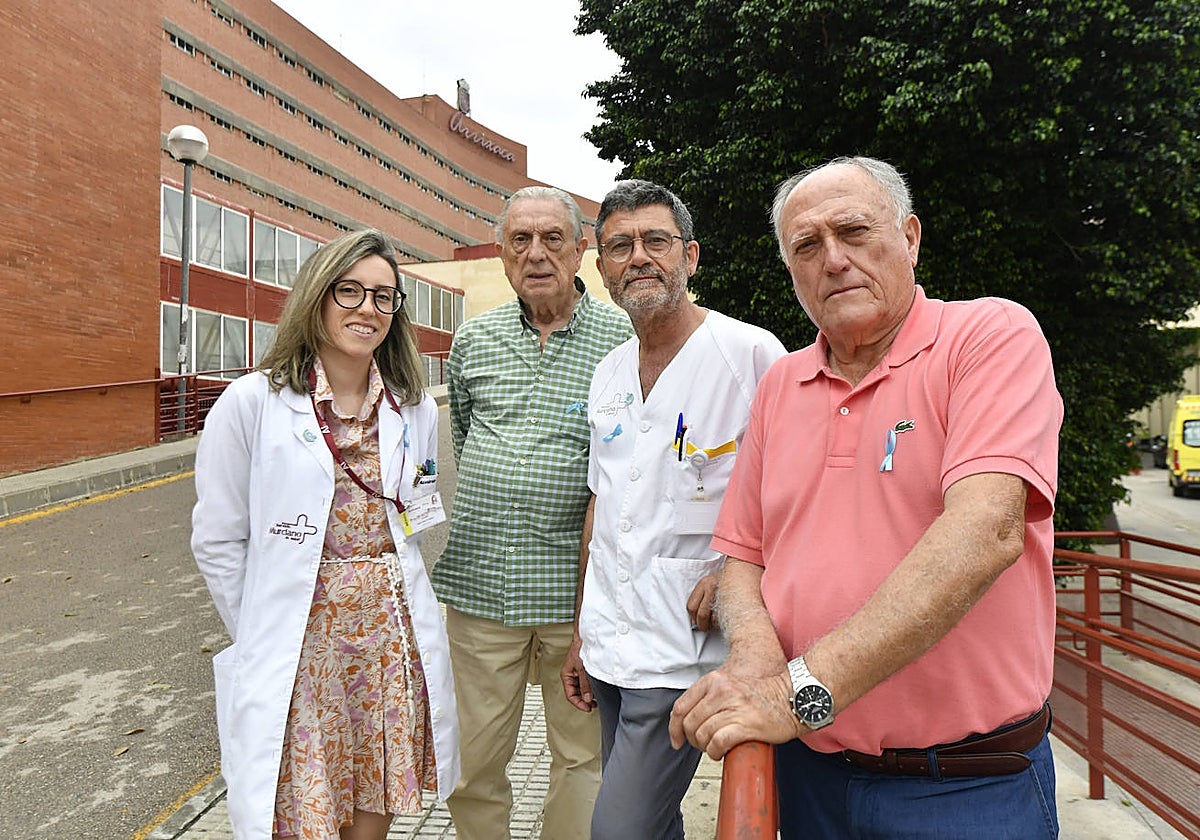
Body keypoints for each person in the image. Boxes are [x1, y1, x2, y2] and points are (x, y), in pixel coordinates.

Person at [669, 157, 1065, 839]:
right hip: (811, 776)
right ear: (791, 270)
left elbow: (986, 532)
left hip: (966, 788)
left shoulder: (989, 337)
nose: (834, 260)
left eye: (854, 231)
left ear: (909, 238)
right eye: (807, 245)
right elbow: (742, 560)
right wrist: (759, 668)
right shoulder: (781, 385)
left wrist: (796, 695)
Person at [192, 228, 459, 840]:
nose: (369, 308)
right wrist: (261, 628)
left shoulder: (412, 406)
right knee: (303, 812)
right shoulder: (252, 402)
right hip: (299, 646)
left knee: (376, 797)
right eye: (351, 291)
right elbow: (217, 538)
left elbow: (413, 515)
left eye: (384, 297)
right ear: (317, 296)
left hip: (389, 639)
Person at [560, 180, 786, 839]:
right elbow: (601, 510)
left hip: (686, 651)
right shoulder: (608, 374)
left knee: (619, 831)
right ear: (600, 268)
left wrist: (737, 567)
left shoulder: (749, 355)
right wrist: (580, 632)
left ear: (690, 256)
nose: (639, 258)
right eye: (619, 247)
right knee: (651, 827)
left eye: (655, 241)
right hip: (608, 645)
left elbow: (796, 489)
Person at [432, 186, 632, 839]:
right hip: (481, 591)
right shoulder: (474, 341)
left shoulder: (625, 341)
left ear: (582, 250)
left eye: (553, 238)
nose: (536, 253)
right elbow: (463, 439)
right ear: (501, 253)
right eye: (521, 240)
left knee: (582, 760)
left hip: (578, 601)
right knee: (472, 762)